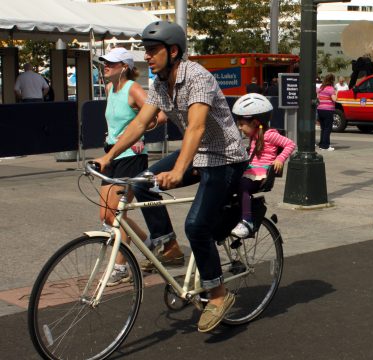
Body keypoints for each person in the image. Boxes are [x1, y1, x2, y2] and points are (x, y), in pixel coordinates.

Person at [94, 21, 249, 333]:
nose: (147, 57)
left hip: (225, 157)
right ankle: (169, 247)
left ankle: (218, 295)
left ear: (173, 51)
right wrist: (108, 157)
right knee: (142, 181)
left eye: (153, 51)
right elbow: (139, 123)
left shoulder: (197, 76)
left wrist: (179, 171)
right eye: (146, 51)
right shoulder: (160, 84)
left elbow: (196, 127)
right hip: (197, 153)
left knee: (196, 224)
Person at [97, 47, 152, 286]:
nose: (105, 66)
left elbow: (156, 116)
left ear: (125, 67)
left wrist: (139, 135)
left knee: (117, 214)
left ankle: (120, 266)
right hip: (111, 155)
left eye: (111, 62)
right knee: (106, 215)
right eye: (104, 62)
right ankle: (148, 243)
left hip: (131, 157)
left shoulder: (134, 89)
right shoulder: (110, 89)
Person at [230, 94, 296, 238]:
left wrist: (280, 158)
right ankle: (235, 216)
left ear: (254, 122)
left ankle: (247, 221)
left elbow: (290, 144)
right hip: (252, 171)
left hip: (261, 174)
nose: (240, 128)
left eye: (241, 124)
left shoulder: (269, 134)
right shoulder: (254, 135)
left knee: (243, 185)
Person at [316, 73, 337, 151]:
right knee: (328, 128)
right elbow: (334, 99)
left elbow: (317, 97)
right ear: (332, 80)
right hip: (328, 110)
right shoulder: (331, 89)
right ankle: (325, 146)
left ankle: (322, 144)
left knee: (323, 128)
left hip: (320, 109)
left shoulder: (321, 88)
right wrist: (336, 93)